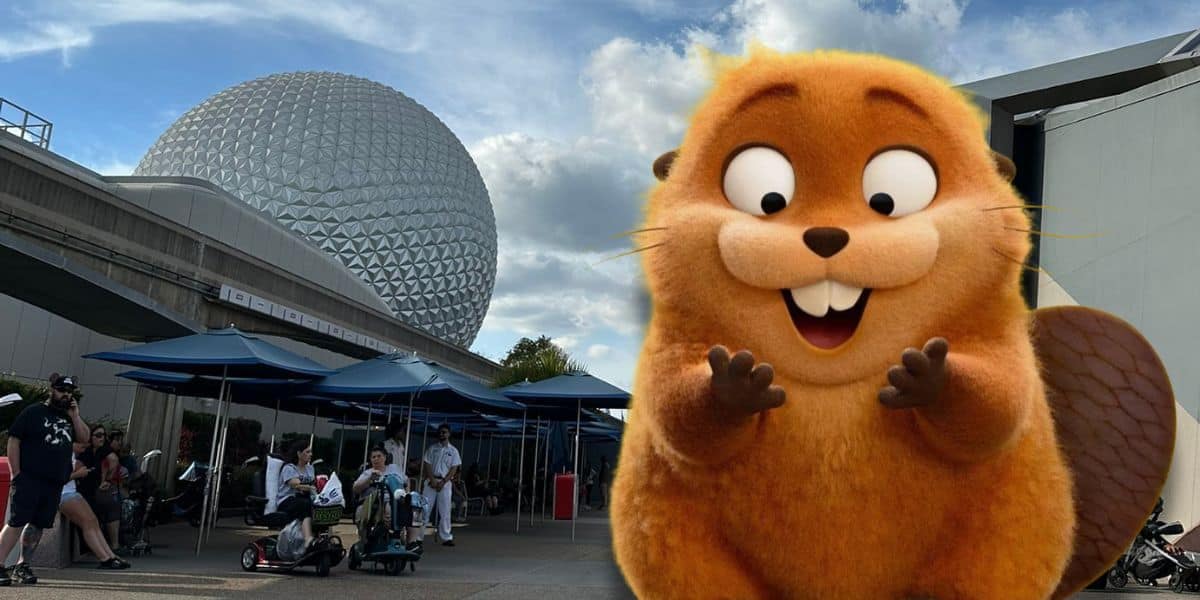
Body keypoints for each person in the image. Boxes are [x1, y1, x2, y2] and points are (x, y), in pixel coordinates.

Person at [0, 374, 90, 586]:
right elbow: (14, 441)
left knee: (38, 524)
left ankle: (22, 565)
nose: (66, 395)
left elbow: (85, 438)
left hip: (54, 481)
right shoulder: (34, 412)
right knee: (16, 520)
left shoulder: (68, 418)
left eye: (69, 392)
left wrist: (75, 415)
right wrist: (16, 473)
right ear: (52, 390)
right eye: (61, 390)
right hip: (29, 477)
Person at [59, 442, 130, 569]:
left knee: (93, 521)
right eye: (81, 445)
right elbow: (57, 478)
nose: (84, 448)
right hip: (62, 494)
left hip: (71, 492)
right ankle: (104, 558)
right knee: (87, 522)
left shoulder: (72, 455)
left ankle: (110, 555)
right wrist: (77, 474)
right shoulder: (61, 453)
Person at [353, 444, 419, 548]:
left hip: (398, 498)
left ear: (385, 457)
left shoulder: (394, 468)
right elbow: (356, 488)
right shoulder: (368, 472)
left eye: (379, 456)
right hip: (376, 502)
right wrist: (369, 479)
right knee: (387, 508)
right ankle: (368, 540)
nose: (376, 459)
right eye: (373, 457)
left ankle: (411, 543)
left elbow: (406, 481)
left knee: (414, 511)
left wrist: (407, 492)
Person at [78, 424, 122, 550]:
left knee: (112, 503)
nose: (102, 438)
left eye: (103, 435)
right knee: (107, 503)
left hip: (94, 490)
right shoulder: (84, 450)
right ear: (90, 437)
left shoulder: (102, 450)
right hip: (80, 491)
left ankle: (114, 545)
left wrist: (107, 480)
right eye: (98, 435)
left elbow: (114, 460)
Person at [421, 424, 462, 546]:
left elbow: (454, 468)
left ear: (449, 434)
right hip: (431, 481)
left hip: (445, 482)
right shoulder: (432, 448)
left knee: (445, 511)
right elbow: (427, 464)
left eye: (444, 432)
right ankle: (418, 537)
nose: (442, 434)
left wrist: (443, 481)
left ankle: (446, 536)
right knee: (424, 509)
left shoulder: (453, 451)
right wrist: (432, 479)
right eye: (440, 432)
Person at [276, 439, 318, 551]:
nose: (310, 454)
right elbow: (295, 484)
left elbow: (314, 485)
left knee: (320, 507)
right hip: (287, 500)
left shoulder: (310, 468)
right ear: (299, 454)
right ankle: (308, 538)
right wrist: (309, 487)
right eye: (307, 452)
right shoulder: (289, 468)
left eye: (310, 452)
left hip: (305, 498)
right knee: (304, 504)